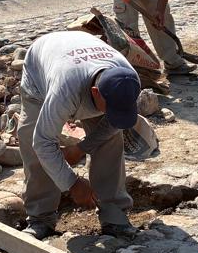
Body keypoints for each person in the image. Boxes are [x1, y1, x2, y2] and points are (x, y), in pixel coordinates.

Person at [18, 31, 142, 241]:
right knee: (34, 144)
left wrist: (81, 148)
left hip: (81, 59)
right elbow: (43, 142)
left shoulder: (128, 80)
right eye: (110, 109)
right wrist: (72, 183)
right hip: (42, 71)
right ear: (95, 92)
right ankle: (41, 218)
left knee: (111, 142)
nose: (115, 115)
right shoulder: (63, 90)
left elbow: (113, 124)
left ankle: (113, 215)